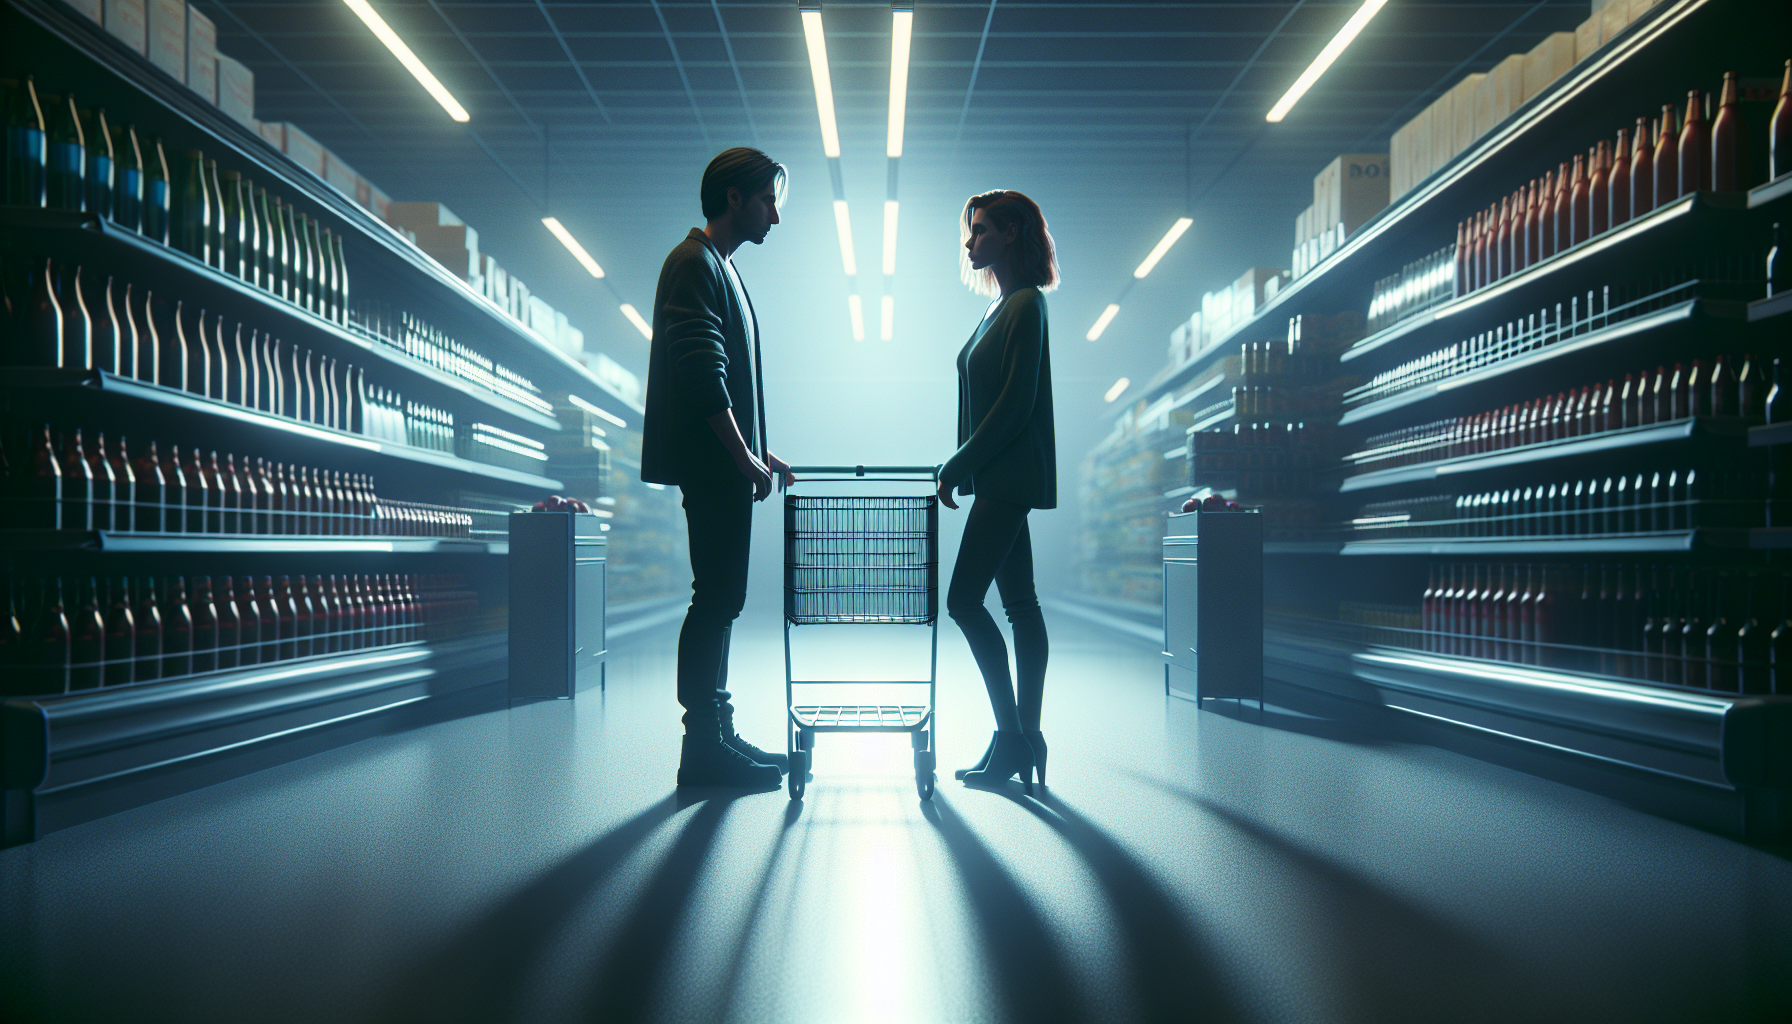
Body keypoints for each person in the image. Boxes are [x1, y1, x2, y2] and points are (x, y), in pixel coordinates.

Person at [641, 147, 796, 788]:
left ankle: (718, 734)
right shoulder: (692, 264)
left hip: (728, 463)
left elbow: (725, 378)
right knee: (715, 599)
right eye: (768, 202)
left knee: (723, 598)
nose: (774, 218)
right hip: (714, 468)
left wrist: (760, 452)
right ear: (734, 197)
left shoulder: (717, 265)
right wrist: (742, 459)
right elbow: (705, 377)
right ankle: (702, 746)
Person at [936, 190, 1059, 789]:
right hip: (1000, 477)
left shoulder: (1027, 305)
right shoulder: (998, 307)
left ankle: (1013, 733)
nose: (971, 241)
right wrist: (968, 463)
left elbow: (1016, 405)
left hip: (1007, 479)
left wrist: (959, 462)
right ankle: (1020, 737)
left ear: (1012, 234)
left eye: (981, 230)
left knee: (964, 601)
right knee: (1019, 606)